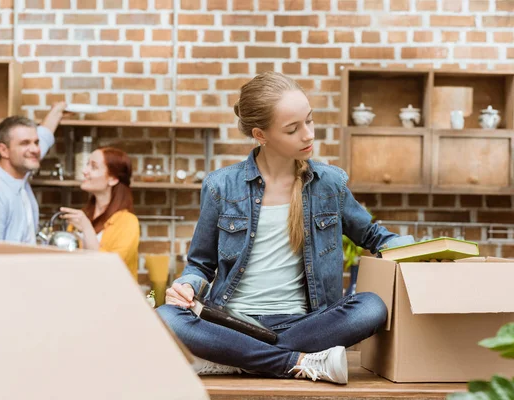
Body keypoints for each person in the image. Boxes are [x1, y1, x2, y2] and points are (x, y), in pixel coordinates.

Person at [156, 72, 413, 384]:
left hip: (307, 323)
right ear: (260, 135)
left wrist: (430, 251)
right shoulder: (221, 185)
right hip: (232, 322)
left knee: (371, 307)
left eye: (309, 121)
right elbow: (200, 264)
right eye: (293, 129)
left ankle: (236, 358)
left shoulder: (328, 183)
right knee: (166, 316)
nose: (308, 135)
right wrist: (186, 287)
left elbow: (374, 237)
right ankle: (298, 362)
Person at [0, 102, 68, 243]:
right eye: (25, 143)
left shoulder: (18, 172)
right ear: (4, 150)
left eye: (36, 142)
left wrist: (57, 111)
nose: (35, 149)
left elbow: (44, 137)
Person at [59, 147, 140, 281]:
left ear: (113, 179)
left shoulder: (128, 222)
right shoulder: (83, 216)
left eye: (94, 167)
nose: (85, 171)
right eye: (87, 165)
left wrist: (86, 228)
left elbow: (110, 267)